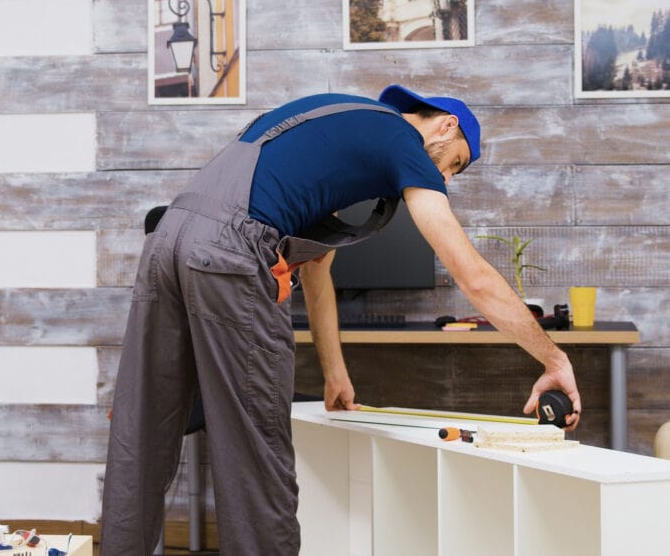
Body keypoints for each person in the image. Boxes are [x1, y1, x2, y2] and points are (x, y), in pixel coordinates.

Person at [100, 85, 582, 555]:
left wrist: (335, 373)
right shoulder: (403, 141)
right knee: (255, 454)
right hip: (229, 254)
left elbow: (316, 272)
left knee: (142, 427)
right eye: (455, 161)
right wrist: (553, 358)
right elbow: (471, 276)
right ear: (445, 125)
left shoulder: (344, 124)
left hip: (167, 241)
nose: (448, 178)